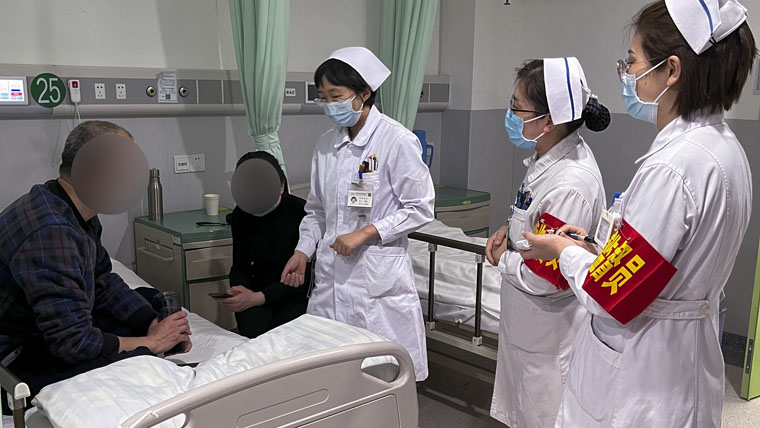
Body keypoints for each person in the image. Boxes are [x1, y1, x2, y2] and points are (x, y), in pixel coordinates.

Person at [520, 1, 756, 426]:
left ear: (671, 70)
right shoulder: (724, 148)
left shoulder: (673, 168)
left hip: (645, 369)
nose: (627, 74)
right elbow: (665, 262)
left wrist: (561, 250)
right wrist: (596, 247)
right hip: (682, 354)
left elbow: (609, 296)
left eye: (631, 62)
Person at [0, 121, 192, 405]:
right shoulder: (52, 230)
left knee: (145, 305)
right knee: (139, 357)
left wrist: (151, 322)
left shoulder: (70, 206)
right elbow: (73, 343)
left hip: (47, 331)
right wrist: (151, 343)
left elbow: (102, 280)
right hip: (15, 361)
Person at [280, 47, 435, 381]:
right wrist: (302, 251)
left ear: (364, 93)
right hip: (331, 279)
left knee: (381, 374)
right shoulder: (326, 145)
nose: (329, 106)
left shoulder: (396, 140)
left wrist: (366, 233)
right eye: (323, 98)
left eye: (336, 96)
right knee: (330, 371)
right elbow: (316, 210)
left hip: (375, 278)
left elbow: (420, 207)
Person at [485, 57, 610, 428]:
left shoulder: (570, 181)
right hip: (529, 327)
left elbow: (547, 276)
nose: (510, 116)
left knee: (544, 416)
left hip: (549, 334)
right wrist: (510, 227)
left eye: (517, 108)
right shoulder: (547, 158)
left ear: (549, 120)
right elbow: (537, 220)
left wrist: (504, 258)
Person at [215, 151, 309, 338]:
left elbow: (302, 279)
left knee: (284, 336)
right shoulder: (241, 214)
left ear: (281, 186)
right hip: (255, 291)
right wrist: (238, 291)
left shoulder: (302, 214)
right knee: (252, 329)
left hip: (293, 295)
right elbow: (239, 266)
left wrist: (258, 298)